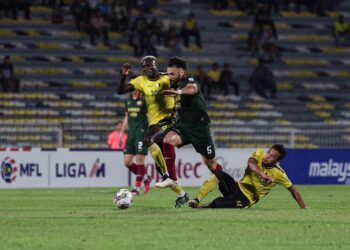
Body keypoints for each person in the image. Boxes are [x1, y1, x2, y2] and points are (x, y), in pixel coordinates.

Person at [116, 55, 188, 208]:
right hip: (155, 123)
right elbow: (121, 90)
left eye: (150, 67)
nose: (147, 70)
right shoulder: (141, 81)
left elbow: (184, 84)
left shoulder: (167, 78)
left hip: (169, 120)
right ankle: (182, 194)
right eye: (144, 68)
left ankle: (167, 175)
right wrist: (123, 76)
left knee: (148, 140)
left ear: (156, 66)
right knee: (159, 167)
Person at [161, 56, 224, 184]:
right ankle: (172, 178)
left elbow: (192, 89)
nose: (169, 77)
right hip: (184, 127)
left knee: (210, 163)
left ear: (181, 73)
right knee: (167, 140)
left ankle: (227, 184)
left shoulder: (188, 81)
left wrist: (177, 92)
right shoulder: (176, 86)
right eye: (168, 74)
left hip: (199, 127)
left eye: (172, 74)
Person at [188, 144, 306, 209]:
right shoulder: (259, 154)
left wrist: (303, 208)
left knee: (218, 203)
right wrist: (262, 175)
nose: (267, 156)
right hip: (237, 186)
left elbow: (293, 190)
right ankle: (197, 199)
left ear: (277, 160)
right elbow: (251, 163)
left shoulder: (279, 174)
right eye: (268, 152)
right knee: (219, 175)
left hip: (246, 199)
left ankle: (202, 206)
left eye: (272, 156)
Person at [119, 91, 152, 195]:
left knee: (139, 160)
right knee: (127, 162)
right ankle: (146, 177)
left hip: (141, 133)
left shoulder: (144, 100)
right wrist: (121, 133)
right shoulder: (128, 101)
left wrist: (151, 131)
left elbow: (149, 116)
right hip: (131, 134)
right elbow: (126, 117)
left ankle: (136, 188)